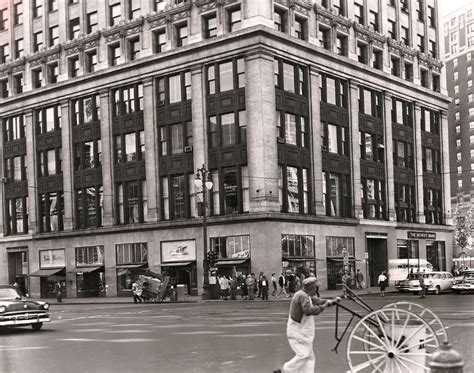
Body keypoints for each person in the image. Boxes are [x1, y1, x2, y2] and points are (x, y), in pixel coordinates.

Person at [273, 277, 341, 373]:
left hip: (300, 330)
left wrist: (332, 302)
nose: (316, 290)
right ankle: (285, 370)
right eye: (315, 288)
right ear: (311, 288)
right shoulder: (302, 296)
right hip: (298, 331)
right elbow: (309, 311)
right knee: (304, 355)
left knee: (309, 357)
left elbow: (317, 300)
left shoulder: (304, 295)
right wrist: (325, 305)